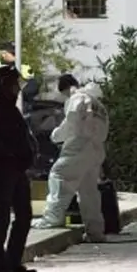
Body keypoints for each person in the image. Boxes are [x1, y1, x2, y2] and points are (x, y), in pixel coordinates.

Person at [0, 65, 38, 272]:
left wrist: (29, 152)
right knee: (1, 217)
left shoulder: (13, 110)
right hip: (0, 170)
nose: (16, 89)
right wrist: (11, 153)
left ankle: (13, 261)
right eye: (12, 85)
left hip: (18, 170)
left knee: (24, 216)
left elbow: (24, 136)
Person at [32, 79, 109, 242]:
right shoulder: (98, 105)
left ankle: (53, 218)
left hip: (79, 146)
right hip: (96, 149)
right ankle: (95, 231)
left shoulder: (78, 98)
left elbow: (71, 123)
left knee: (59, 175)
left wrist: (56, 135)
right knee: (88, 190)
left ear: (66, 89)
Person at [0, 41, 39, 113]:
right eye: (13, 53)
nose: (16, 56)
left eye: (17, 53)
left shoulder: (25, 68)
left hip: (21, 111)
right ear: (3, 54)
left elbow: (32, 89)